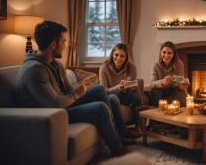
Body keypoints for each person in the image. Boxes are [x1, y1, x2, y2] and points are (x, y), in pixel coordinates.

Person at [16, 21, 134, 157]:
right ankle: (117, 147)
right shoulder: (34, 70)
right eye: (63, 41)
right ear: (54, 45)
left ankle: (118, 135)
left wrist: (81, 87)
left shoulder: (56, 64)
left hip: (63, 104)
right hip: (52, 114)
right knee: (100, 108)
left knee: (100, 89)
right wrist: (78, 92)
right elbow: (55, 104)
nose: (65, 45)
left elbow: (68, 90)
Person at [99, 43, 143, 129]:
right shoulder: (104, 68)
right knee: (113, 97)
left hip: (124, 95)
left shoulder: (132, 67)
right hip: (111, 96)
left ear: (126, 57)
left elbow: (132, 83)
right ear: (112, 54)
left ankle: (138, 126)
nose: (118, 58)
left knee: (136, 94)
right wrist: (118, 87)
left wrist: (133, 86)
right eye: (116, 55)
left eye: (122, 56)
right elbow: (103, 91)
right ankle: (121, 129)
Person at [149, 41, 189, 107]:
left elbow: (180, 82)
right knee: (154, 92)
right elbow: (152, 84)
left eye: (169, 53)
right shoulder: (155, 65)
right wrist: (162, 82)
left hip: (173, 89)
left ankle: (180, 115)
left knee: (182, 94)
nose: (166, 55)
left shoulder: (179, 64)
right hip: (160, 90)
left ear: (174, 54)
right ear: (160, 52)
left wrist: (182, 85)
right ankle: (155, 115)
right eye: (164, 52)